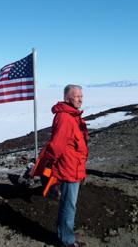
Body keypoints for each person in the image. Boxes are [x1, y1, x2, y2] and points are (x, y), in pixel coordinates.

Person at [32, 84, 88, 247]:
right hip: (69, 168)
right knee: (68, 204)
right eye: (76, 96)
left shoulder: (73, 116)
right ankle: (66, 240)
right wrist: (48, 165)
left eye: (81, 96)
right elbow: (57, 146)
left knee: (70, 203)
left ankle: (67, 232)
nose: (80, 99)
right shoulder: (65, 117)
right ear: (67, 98)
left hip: (75, 166)